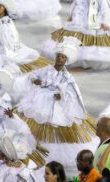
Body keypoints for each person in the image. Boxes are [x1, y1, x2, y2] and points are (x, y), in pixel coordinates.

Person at [17, 37, 98, 170]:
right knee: (34, 124)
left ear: (66, 60)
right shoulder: (46, 69)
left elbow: (71, 94)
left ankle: (45, 153)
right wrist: (35, 80)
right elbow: (32, 75)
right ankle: (33, 149)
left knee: (54, 127)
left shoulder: (67, 77)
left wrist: (62, 95)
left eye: (63, 57)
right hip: (39, 101)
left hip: (55, 105)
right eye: (59, 56)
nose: (60, 59)